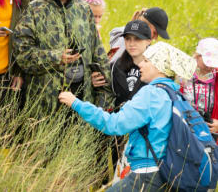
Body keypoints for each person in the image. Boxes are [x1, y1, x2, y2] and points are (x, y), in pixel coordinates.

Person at [59, 42, 197, 192]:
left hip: (147, 175)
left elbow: (114, 125)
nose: (140, 66)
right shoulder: (175, 94)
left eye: (146, 61)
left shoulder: (151, 94)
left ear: (159, 67)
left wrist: (76, 103)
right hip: (169, 173)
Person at [14, 0, 113, 116]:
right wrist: (56, 57)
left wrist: (104, 91)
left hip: (81, 96)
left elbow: (97, 50)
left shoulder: (84, 9)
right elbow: (23, 54)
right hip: (45, 100)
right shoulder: (34, 9)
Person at [96, 20, 152, 108]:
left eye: (137, 38)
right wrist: (94, 83)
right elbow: (106, 94)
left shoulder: (157, 68)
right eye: (127, 38)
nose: (131, 44)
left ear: (148, 41)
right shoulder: (115, 66)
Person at [180, 38, 218, 135]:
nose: (210, 67)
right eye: (207, 62)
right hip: (186, 131)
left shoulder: (216, 77)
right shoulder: (184, 76)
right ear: (197, 56)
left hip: (210, 134)